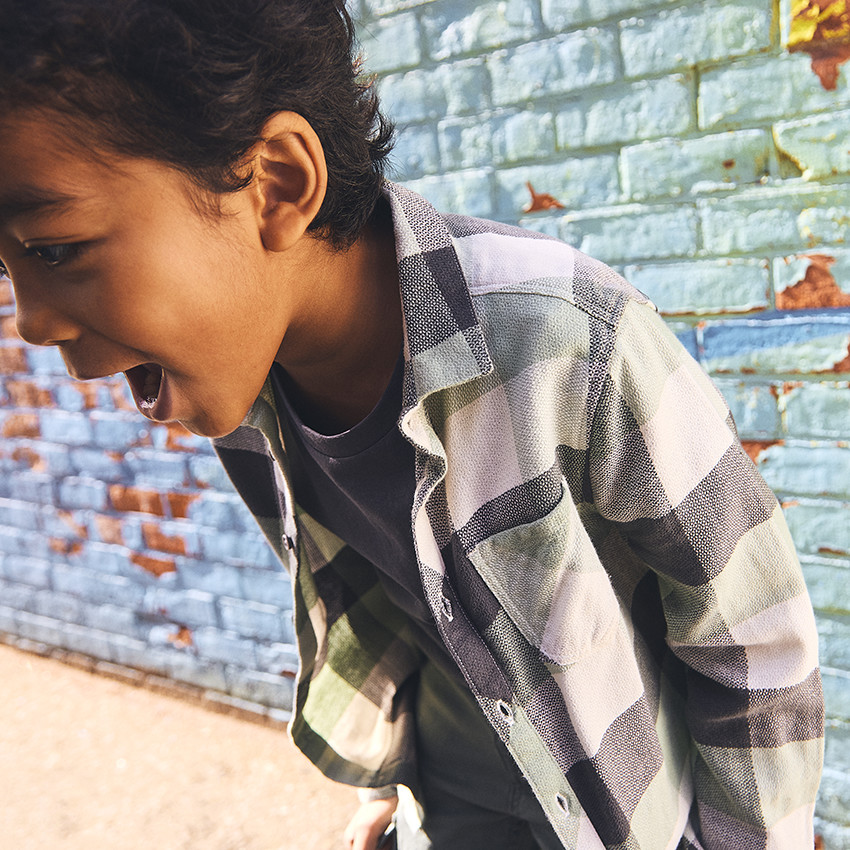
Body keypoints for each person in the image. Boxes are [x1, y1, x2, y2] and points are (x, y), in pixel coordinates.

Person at [0, 1, 825, 848]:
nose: (29, 321)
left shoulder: (568, 336)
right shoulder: (243, 398)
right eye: (6, 267)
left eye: (53, 248)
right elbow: (402, 602)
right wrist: (394, 785)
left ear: (276, 184)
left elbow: (756, 643)